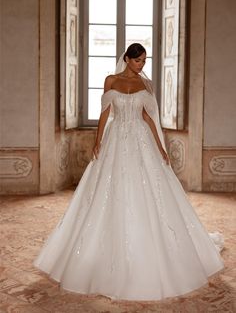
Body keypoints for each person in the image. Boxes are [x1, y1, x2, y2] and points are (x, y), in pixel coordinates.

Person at [34, 43, 224, 301]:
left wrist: (160, 147)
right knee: (105, 192)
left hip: (141, 139)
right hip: (115, 139)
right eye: (138, 61)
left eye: (144, 61)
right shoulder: (110, 80)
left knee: (146, 190)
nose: (141, 66)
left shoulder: (147, 86)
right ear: (127, 59)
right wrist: (97, 140)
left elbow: (148, 118)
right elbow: (104, 113)